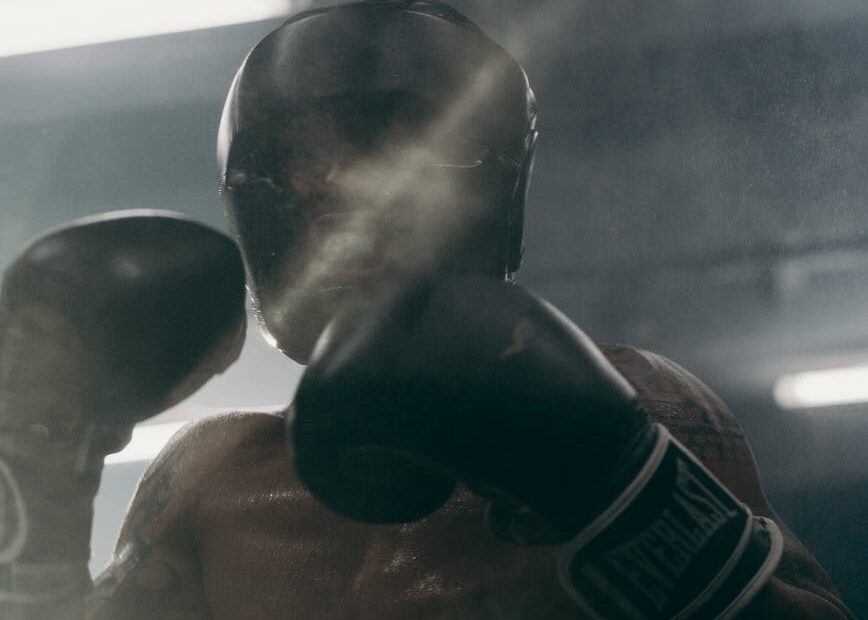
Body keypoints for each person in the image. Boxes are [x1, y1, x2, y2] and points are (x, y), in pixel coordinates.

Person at [0, 1, 854, 618]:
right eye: (303, 171)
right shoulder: (208, 485)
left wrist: (611, 481)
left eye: (394, 164)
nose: (350, 217)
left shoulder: (645, 402)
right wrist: (34, 516)